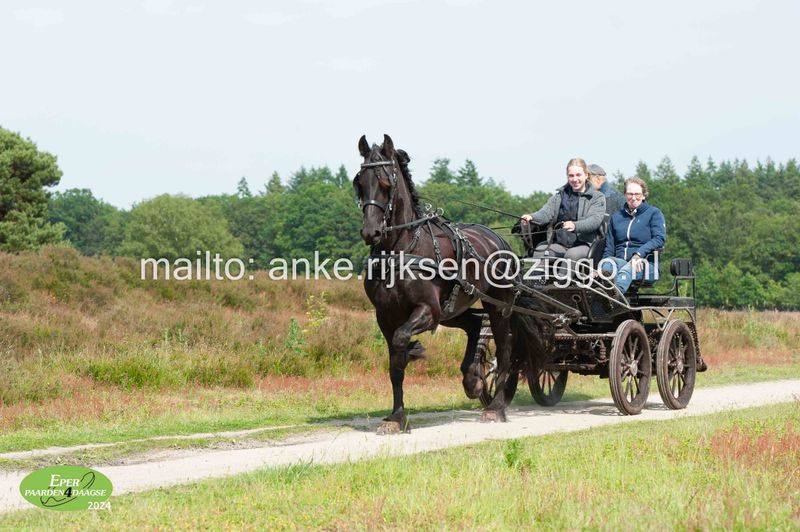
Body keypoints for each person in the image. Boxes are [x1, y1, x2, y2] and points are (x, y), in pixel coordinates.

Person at [521, 158, 605, 261]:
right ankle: (538, 272)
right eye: (571, 176)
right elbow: (546, 213)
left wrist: (575, 226)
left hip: (585, 245)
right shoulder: (559, 196)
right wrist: (531, 217)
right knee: (540, 252)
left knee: (571, 255)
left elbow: (594, 221)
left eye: (578, 175)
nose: (575, 179)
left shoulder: (597, 197)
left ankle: (563, 272)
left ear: (586, 175)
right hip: (559, 245)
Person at [601, 177, 666, 294]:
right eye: (630, 194)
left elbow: (659, 239)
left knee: (628, 269)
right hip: (621, 262)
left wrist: (638, 254)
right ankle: (601, 294)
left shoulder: (654, 213)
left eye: (637, 194)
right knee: (606, 265)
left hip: (646, 264)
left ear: (644, 195)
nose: (634, 198)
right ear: (625, 195)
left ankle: (615, 295)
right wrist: (600, 268)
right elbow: (609, 248)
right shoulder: (616, 217)